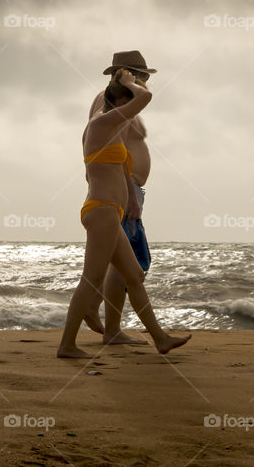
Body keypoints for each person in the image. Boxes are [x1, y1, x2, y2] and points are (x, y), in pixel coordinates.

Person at [58, 68, 190, 358]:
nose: (131, 112)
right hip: (101, 211)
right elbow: (146, 97)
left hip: (111, 213)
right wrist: (130, 83)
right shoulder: (102, 122)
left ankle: (160, 338)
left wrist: (130, 194)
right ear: (118, 101)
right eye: (126, 103)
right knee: (91, 279)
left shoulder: (112, 126)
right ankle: (67, 345)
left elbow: (121, 168)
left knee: (133, 275)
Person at [83, 50, 154, 345]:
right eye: (144, 75)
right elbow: (118, 150)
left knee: (122, 262)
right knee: (130, 265)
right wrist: (130, 193)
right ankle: (110, 328)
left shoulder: (111, 101)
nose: (147, 81)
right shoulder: (118, 103)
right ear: (129, 75)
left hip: (125, 190)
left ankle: (107, 322)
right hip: (124, 191)